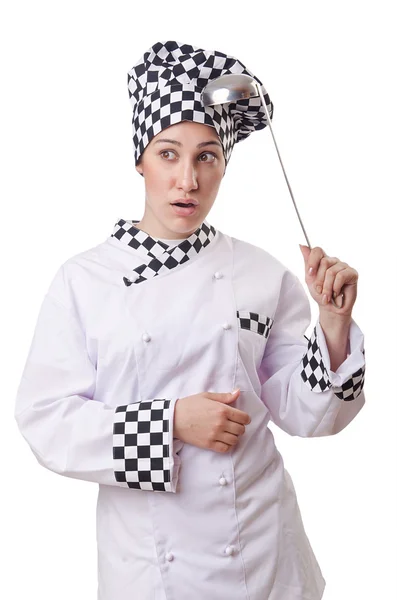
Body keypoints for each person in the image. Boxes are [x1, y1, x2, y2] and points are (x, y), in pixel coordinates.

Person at [14, 40, 366, 600]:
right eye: (168, 153)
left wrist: (333, 326)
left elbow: (309, 416)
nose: (188, 180)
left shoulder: (260, 273)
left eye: (207, 156)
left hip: (267, 556)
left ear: (224, 164)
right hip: (153, 573)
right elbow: (47, 424)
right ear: (140, 159)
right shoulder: (85, 280)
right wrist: (171, 422)